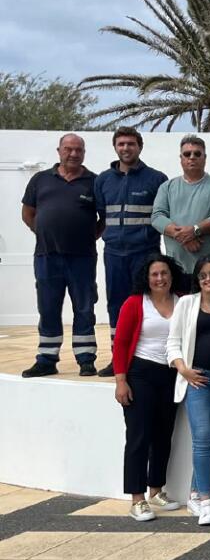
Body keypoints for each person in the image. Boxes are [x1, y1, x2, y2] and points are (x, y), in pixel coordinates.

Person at [20, 133, 104, 378]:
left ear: (84, 153)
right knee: (48, 308)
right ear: (59, 151)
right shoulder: (40, 179)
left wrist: (89, 236)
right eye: (68, 149)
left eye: (78, 150)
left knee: (85, 308)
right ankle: (46, 359)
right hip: (47, 257)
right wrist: (44, 232)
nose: (73, 154)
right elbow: (28, 213)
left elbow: (105, 219)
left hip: (82, 258)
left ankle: (86, 359)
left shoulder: (94, 182)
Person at [111, 254, 186, 521]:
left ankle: (156, 490)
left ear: (171, 275)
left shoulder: (182, 302)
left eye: (164, 273)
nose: (160, 278)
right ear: (147, 277)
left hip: (170, 375)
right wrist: (121, 380)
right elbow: (119, 343)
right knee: (139, 436)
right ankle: (137, 498)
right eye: (154, 274)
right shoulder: (135, 303)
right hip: (140, 374)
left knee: (163, 435)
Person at [167, 256, 210, 527]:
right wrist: (183, 369)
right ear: (197, 280)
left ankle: (194, 492)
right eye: (203, 276)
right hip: (197, 380)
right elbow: (172, 342)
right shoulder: (186, 303)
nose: (208, 279)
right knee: (203, 436)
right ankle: (206, 501)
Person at [94, 127, 166, 376]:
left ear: (140, 147)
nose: (126, 148)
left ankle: (143, 357)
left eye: (131, 144)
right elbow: (102, 216)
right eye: (121, 144)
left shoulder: (156, 179)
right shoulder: (103, 180)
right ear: (115, 147)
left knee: (146, 304)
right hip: (114, 254)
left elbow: (161, 216)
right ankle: (118, 359)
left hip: (145, 254)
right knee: (116, 305)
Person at [150, 135, 210, 294]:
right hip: (176, 268)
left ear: (205, 158)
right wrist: (183, 236)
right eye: (187, 154)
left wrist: (195, 230)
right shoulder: (167, 187)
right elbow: (157, 217)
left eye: (197, 154)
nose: (192, 157)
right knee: (180, 315)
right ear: (181, 158)